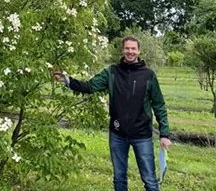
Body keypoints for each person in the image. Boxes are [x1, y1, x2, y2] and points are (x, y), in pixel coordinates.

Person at [53, 36, 172, 191]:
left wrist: (164, 134)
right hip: (118, 134)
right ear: (122, 50)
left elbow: (159, 105)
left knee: (149, 180)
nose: (130, 52)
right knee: (119, 179)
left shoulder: (148, 75)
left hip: (142, 135)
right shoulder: (112, 72)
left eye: (133, 48)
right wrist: (68, 80)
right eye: (127, 48)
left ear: (139, 51)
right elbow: (90, 86)